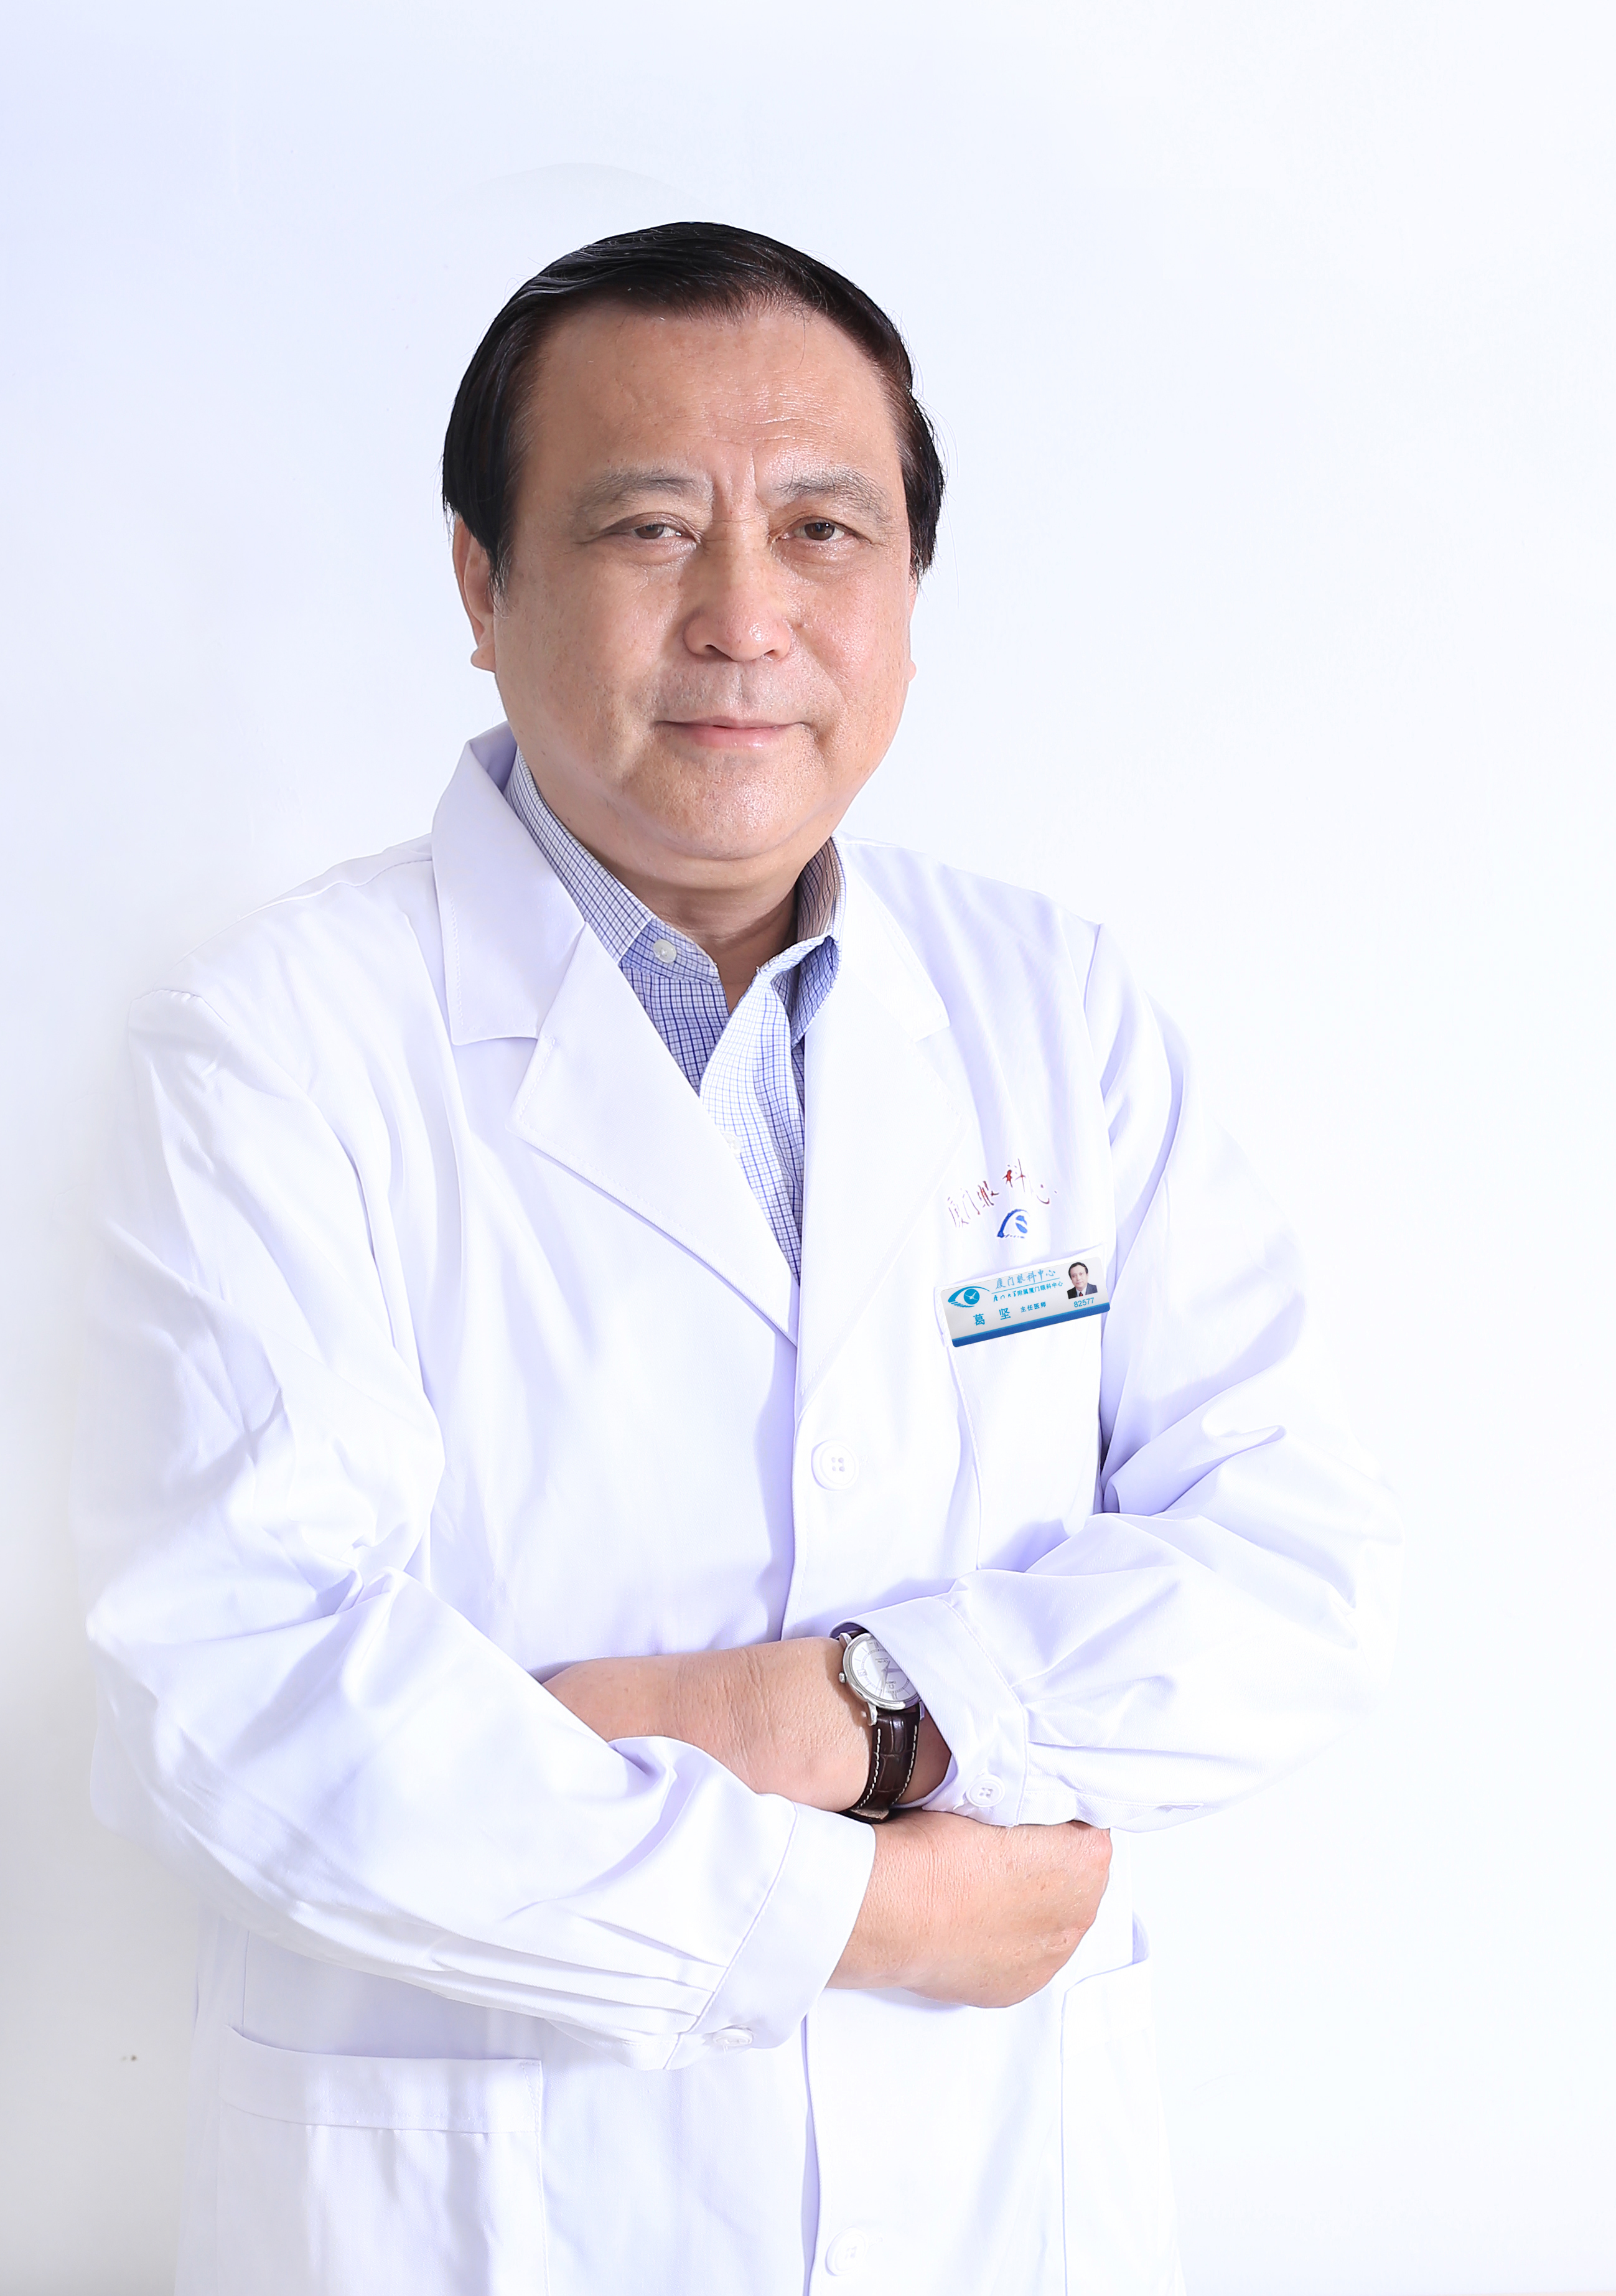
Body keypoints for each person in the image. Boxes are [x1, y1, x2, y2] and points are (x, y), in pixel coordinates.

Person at [73, 223, 1400, 2296]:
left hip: (986, 2198)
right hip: (496, 2214)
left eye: (819, 529)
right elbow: (255, 1701)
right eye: (646, 528)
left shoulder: (1053, 1005)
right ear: (480, 584)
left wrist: (863, 1709)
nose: (744, 616)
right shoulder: (275, 1047)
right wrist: (866, 1912)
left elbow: (1291, 1563)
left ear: (907, 591)